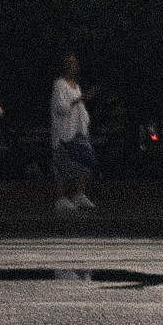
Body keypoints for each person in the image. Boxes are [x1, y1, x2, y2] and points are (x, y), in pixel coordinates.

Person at [49, 52, 95, 214]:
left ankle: (79, 194)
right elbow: (60, 107)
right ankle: (60, 199)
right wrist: (81, 98)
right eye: (68, 62)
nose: (72, 65)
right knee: (62, 164)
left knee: (86, 160)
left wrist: (82, 99)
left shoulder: (76, 84)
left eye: (74, 62)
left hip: (78, 129)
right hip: (64, 132)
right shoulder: (59, 84)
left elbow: (78, 105)